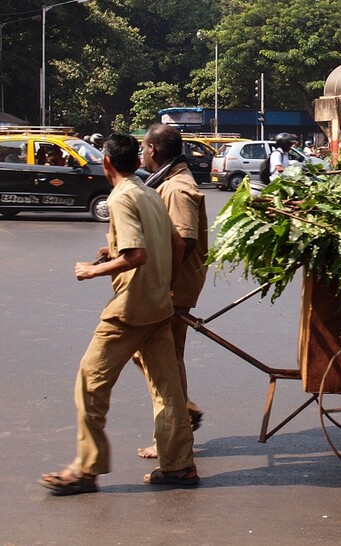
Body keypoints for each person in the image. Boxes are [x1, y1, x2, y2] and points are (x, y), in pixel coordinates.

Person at [38, 133, 199, 496]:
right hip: (159, 306)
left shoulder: (122, 196)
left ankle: (86, 468)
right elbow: (173, 245)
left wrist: (90, 271)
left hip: (129, 311)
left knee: (90, 384)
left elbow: (137, 255)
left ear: (106, 163)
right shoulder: (149, 192)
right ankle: (179, 466)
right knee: (168, 390)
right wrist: (157, 279)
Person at [135, 123, 208, 458]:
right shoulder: (165, 182)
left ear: (154, 151)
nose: (140, 153)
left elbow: (185, 242)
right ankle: (183, 414)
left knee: (164, 359)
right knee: (154, 356)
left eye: (143, 148)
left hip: (174, 289)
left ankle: (175, 432)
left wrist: (163, 286)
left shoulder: (177, 188)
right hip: (166, 286)